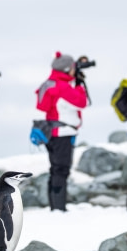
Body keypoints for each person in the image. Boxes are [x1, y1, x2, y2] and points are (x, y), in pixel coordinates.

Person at [35, 51, 88, 211]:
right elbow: (81, 102)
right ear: (66, 69)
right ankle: (58, 208)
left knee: (55, 169)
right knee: (61, 170)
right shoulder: (62, 87)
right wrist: (79, 85)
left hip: (53, 132)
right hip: (63, 133)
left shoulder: (50, 83)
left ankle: (55, 206)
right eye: (72, 67)